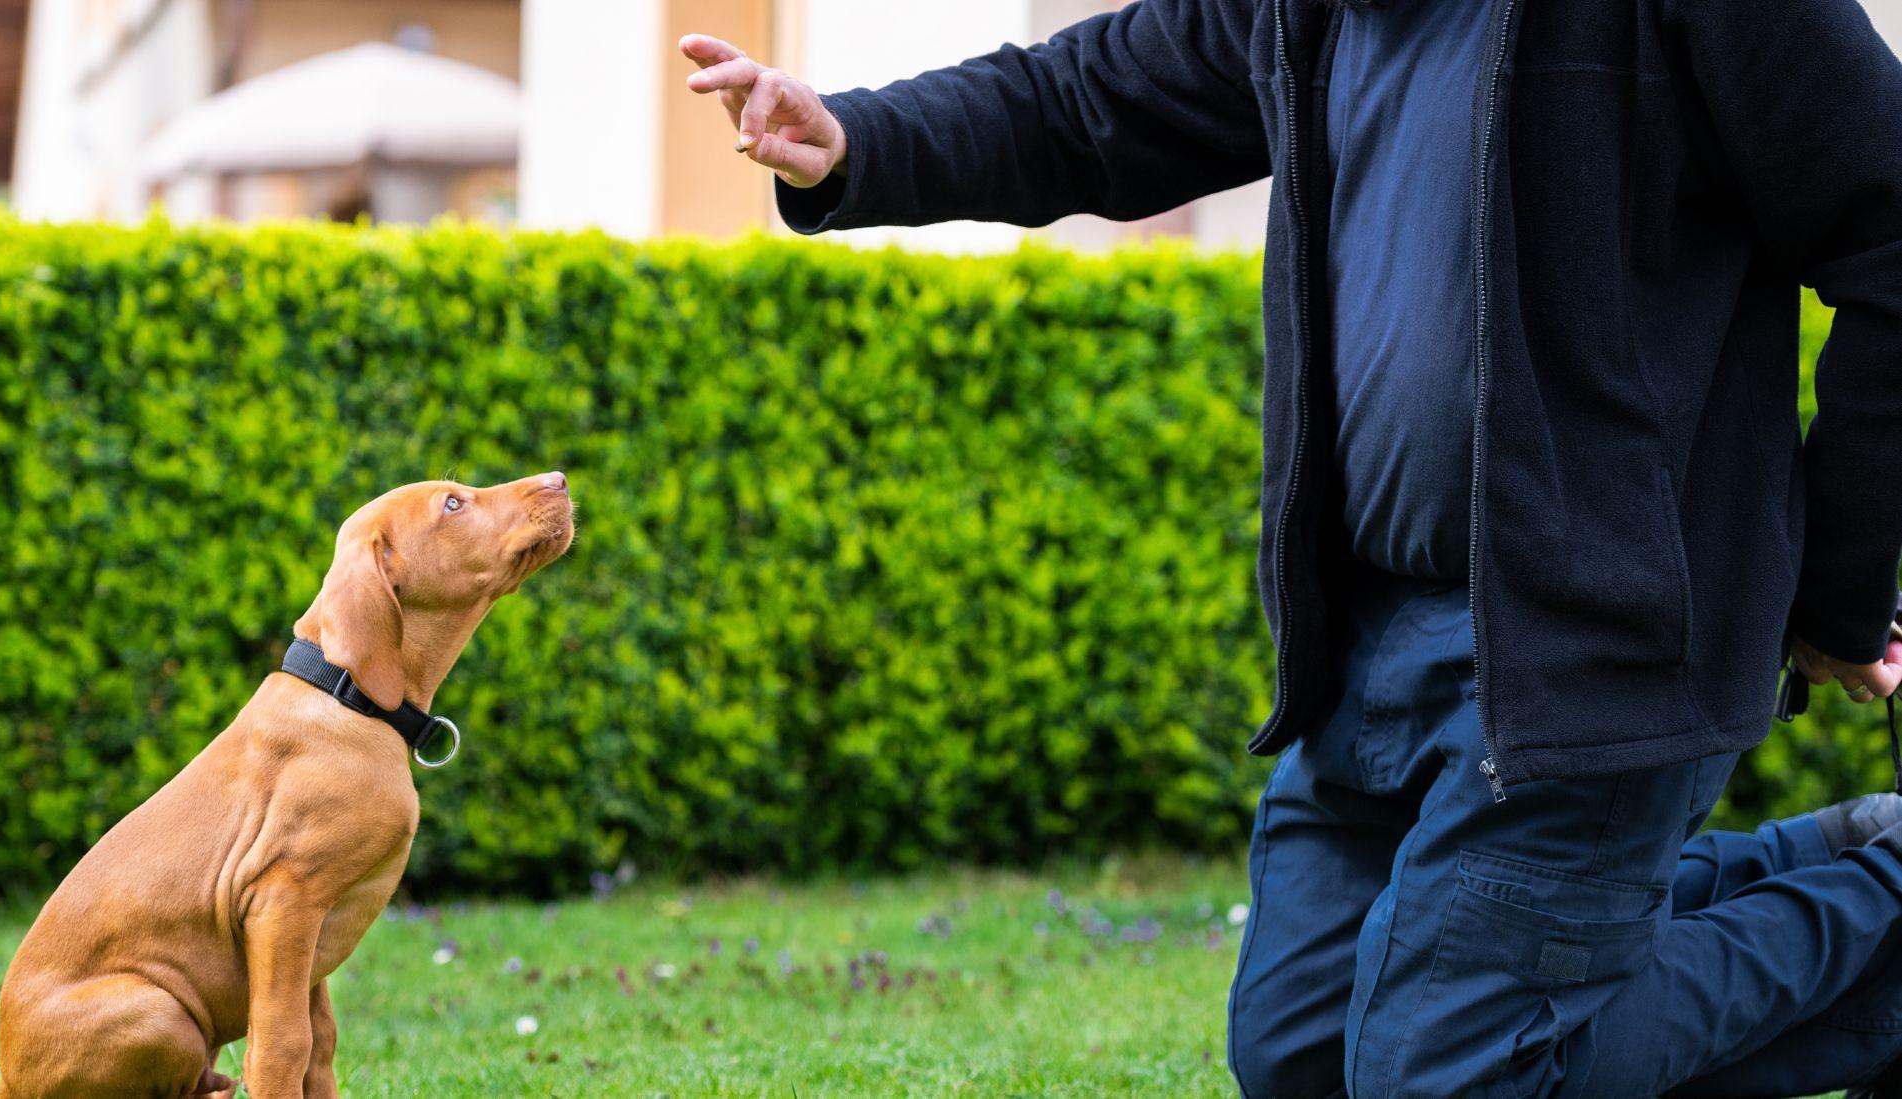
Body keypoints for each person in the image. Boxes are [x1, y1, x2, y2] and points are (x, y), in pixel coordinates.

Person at [677, 0, 1902, 1092]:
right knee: (1303, 1052)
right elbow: (1086, 98)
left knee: (1440, 1070)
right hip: (1366, 643)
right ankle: (1825, 861)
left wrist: (1834, 589)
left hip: (1594, 641)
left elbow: (1890, 240)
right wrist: (857, 139)